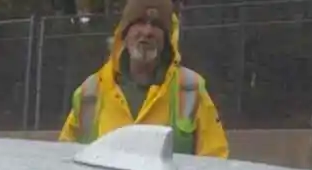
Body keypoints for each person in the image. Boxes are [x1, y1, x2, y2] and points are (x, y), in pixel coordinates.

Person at [59, 0, 228, 159]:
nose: (147, 32)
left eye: (156, 25)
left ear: (167, 38)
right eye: (139, 22)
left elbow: (215, 161)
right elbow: (65, 161)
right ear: (124, 33)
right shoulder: (90, 92)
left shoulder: (190, 88)